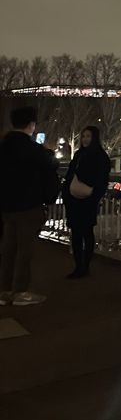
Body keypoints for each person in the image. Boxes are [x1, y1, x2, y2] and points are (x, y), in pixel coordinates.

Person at [0, 106, 60, 306]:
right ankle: (21, 291)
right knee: (25, 251)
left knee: (8, 248)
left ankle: (5, 290)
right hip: (29, 206)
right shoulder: (35, 150)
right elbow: (49, 173)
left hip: (6, 207)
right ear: (31, 125)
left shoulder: (3, 146)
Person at [61, 125, 111, 279]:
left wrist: (94, 197)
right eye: (83, 136)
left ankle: (84, 265)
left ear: (94, 138)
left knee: (86, 232)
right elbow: (70, 174)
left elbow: (101, 180)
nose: (85, 139)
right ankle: (79, 265)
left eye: (88, 136)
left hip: (87, 200)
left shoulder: (99, 157)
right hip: (75, 200)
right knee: (77, 233)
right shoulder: (79, 155)